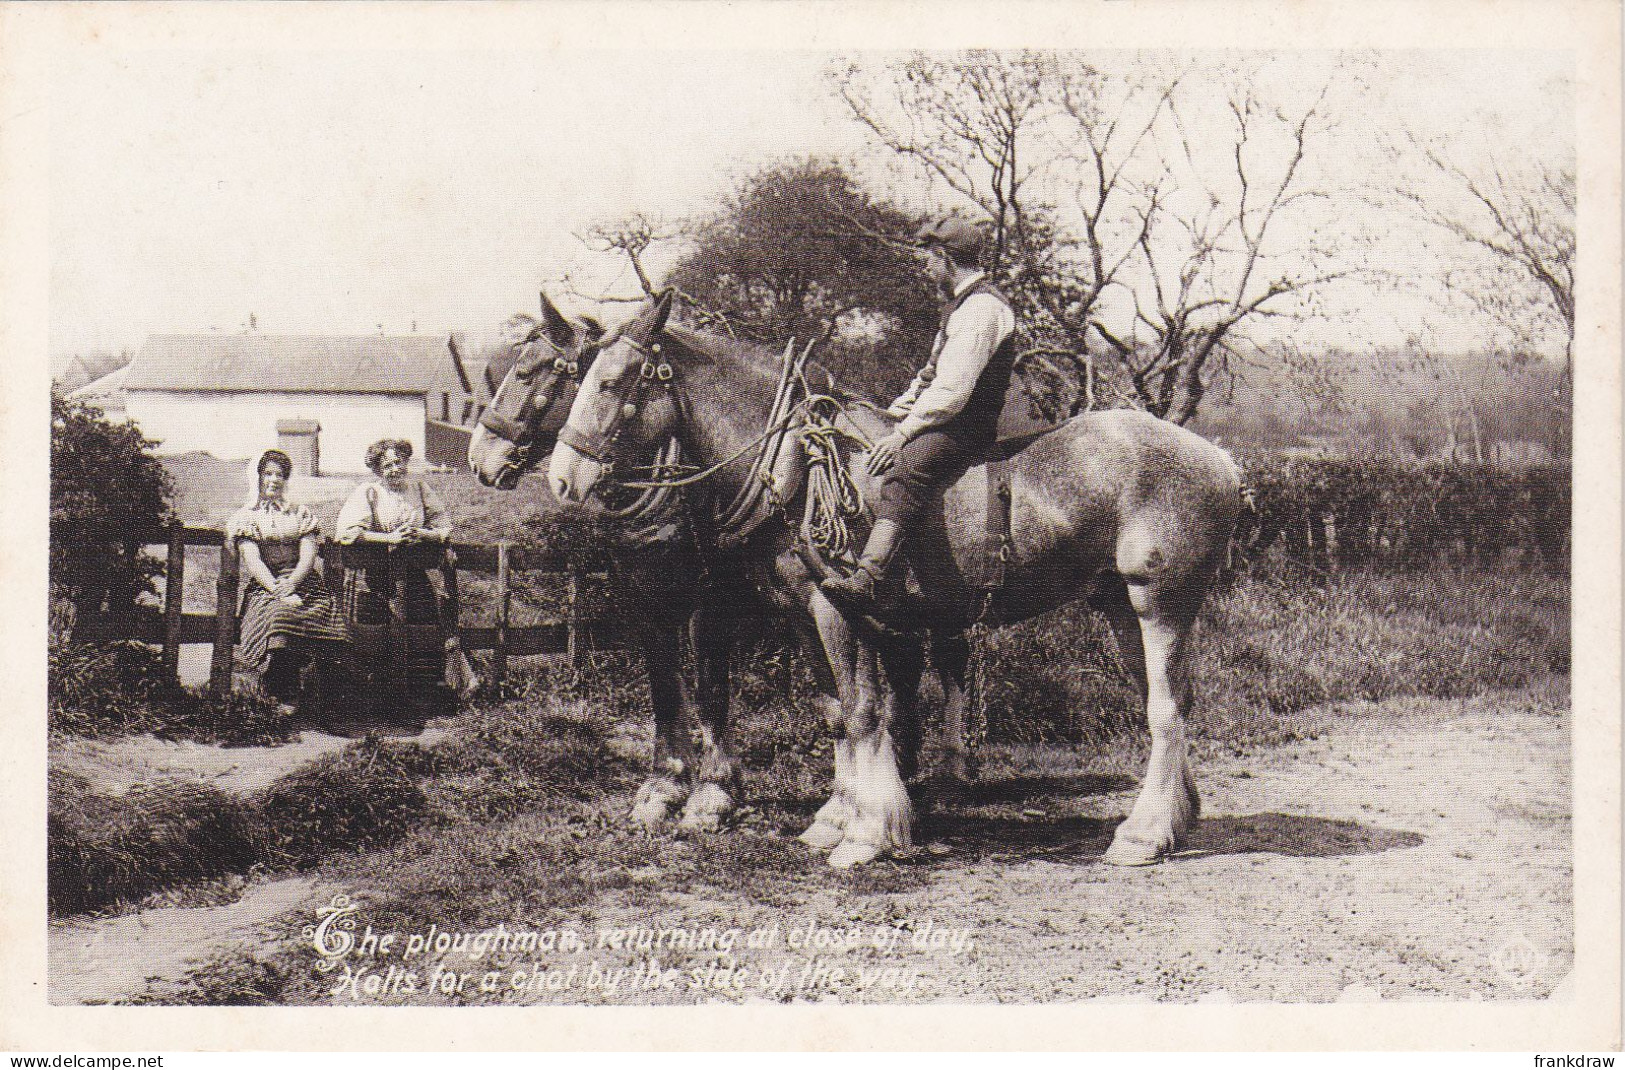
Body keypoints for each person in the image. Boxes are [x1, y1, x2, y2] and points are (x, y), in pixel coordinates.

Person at [822, 217, 1019, 609]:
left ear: (944, 257)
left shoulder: (981, 309)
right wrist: (891, 415)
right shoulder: (961, 306)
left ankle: (869, 575)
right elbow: (930, 376)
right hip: (946, 416)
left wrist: (902, 434)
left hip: (964, 423)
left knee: (905, 469)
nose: (927, 269)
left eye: (928, 259)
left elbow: (952, 390)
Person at [335, 438, 477, 699]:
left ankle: (425, 692)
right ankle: (377, 695)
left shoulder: (421, 489)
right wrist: (388, 538)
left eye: (399, 462)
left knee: (427, 626)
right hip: (376, 576)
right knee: (376, 634)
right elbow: (347, 532)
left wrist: (421, 534)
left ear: (406, 462)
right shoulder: (369, 493)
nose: (394, 469)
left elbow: (444, 527)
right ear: (378, 470)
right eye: (387, 465)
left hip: (414, 573)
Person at [228, 448, 351, 711]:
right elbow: (253, 561)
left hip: (303, 580)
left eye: (280, 475)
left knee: (327, 615)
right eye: (268, 474)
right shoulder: (247, 516)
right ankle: (282, 690)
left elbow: (309, 552)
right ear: (258, 476)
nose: (273, 480)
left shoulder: (299, 513)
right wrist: (279, 590)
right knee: (281, 615)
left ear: (286, 479)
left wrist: (293, 583)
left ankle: (326, 701)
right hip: (266, 584)